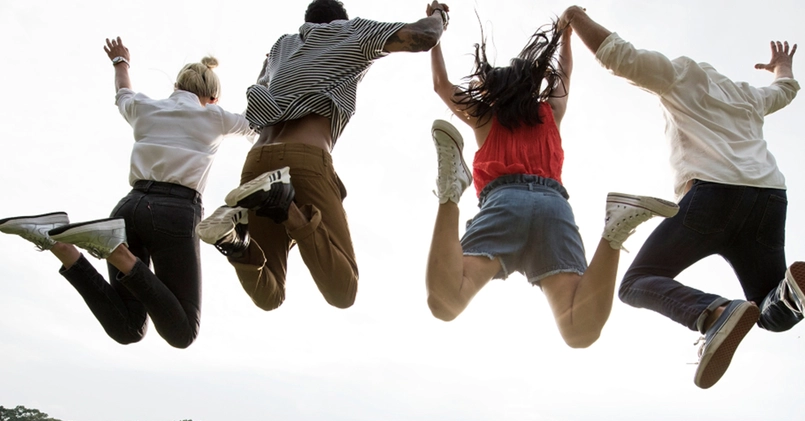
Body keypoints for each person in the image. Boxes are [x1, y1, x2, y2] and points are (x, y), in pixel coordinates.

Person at [562, 7, 803, 387]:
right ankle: (790, 294)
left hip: (713, 197)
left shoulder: (680, 73)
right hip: (768, 199)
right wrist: (782, 66)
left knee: (636, 282)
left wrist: (574, 16)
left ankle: (713, 313)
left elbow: (617, 55)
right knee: (771, 308)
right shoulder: (747, 96)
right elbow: (784, 91)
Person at [424, 11, 679, 348]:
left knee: (446, 302)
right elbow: (565, 73)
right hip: (553, 208)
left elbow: (440, 84)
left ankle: (450, 192)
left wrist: (435, 29)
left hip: (504, 202)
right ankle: (615, 230)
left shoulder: (485, 116)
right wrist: (566, 37)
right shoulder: (550, 112)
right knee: (579, 331)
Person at [196, 0, 452, 311]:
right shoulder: (353, 31)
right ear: (340, 20)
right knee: (344, 290)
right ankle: (285, 206)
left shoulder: (280, 48)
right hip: (304, 158)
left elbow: (259, 91)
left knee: (270, 294)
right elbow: (425, 36)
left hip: (257, 161)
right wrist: (439, 15)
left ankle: (234, 241)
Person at [0, 38, 252, 348]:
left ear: (175, 86)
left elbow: (123, 92)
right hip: (174, 213)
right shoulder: (214, 116)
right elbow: (256, 122)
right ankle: (117, 252)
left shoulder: (146, 107)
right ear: (213, 98)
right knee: (183, 332)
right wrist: (268, 72)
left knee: (128, 328)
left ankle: (60, 245)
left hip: (128, 209)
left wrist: (120, 61)